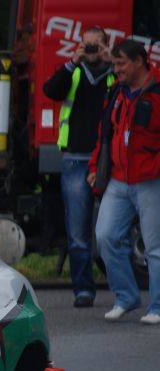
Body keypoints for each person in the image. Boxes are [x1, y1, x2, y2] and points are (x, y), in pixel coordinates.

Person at [88, 39, 160, 324]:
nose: (116, 69)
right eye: (115, 64)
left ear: (139, 61)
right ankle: (126, 297)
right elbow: (105, 133)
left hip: (150, 179)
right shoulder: (116, 92)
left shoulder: (156, 92)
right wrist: (95, 167)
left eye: (121, 64)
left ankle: (157, 306)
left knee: (155, 247)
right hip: (119, 179)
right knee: (105, 236)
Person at [43, 26, 114, 308]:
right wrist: (74, 60)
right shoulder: (73, 71)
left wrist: (111, 61)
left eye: (97, 45)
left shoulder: (115, 74)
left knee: (114, 230)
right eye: (88, 45)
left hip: (110, 159)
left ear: (106, 45)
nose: (92, 50)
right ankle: (83, 290)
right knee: (77, 232)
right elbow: (51, 90)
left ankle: (122, 288)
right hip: (76, 159)